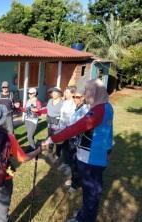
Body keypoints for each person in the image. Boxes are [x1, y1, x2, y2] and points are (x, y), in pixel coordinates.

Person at [42, 79, 113, 222]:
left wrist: (51, 139)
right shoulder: (105, 106)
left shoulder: (100, 109)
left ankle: (85, 218)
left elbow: (77, 127)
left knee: (91, 193)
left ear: (96, 92)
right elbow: (108, 133)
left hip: (92, 159)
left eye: (88, 91)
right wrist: (109, 150)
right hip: (93, 156)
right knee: (89, 192)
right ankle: (84, 215)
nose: (85, 94)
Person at [65, 88, 90, 192]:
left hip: (77, 140)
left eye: (77, 97)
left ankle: (75, 184)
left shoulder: (85, 110)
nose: (75, 99)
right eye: (74, 97)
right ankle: (74, 180)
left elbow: (83, 126)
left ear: (83, 98)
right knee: (72, 161)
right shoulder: (76, 107)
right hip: (71, 137)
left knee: (76, 162)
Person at [38, 87, 64, 162]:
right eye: (53, 92)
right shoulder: (50, 100)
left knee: (58, 139)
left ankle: (57, 154)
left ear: (59, 93)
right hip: (49, 122)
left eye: (55, 92)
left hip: (57, 123)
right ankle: (50, 151)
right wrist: (39, 111)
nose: (53, 94)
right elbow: (47, 109)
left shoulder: (62, 103)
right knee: (50, 136)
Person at [56, 86, 77, 175]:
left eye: (67, 92)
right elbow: (62, 115)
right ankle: (65, 163)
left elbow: (73, 118)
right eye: (65, 92)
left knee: (70, 149)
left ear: (72, 94)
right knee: (64, 147)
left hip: (70, 130)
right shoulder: (65, 102)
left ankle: (70, 166)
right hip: (62, 129)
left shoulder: (74, 104)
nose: (65, 93)